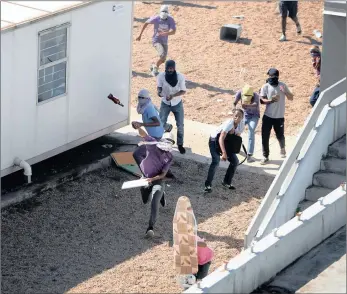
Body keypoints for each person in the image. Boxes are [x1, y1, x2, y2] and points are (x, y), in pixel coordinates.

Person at [132, 127, 174, 238]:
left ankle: (150, 227)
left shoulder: (169, 157)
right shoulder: (152, 145)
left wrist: (153, 180)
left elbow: (163, 174)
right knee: (145, 199)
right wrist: (139, 127)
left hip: (157, 180)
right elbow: (144, 134)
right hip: (145, 178)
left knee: (154, 202)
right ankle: (160, 194)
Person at [204, 108, 245, 193]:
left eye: (239, 116)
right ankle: (207, 185)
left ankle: (226, 182)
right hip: (214, 140)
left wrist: (231, 150)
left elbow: (235, 138)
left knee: (235, 161)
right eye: (235, 116)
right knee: (216, 161)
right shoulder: (229, 124)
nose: (237, 118)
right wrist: (224, 153)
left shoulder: (241, 125)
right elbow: (221, 138)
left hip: (227, 142)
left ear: (242, 118)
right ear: (233, 116)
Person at [259, 68, 294, 165]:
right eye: (270, 76)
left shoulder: (282, 85)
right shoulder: (265, 86)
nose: (272, 78)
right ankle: (265, 156)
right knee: (265, 137)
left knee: (280, 135)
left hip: (279, 117)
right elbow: (262, 100)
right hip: (268, 117)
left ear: (277, 77)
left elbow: (291, 98)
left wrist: (285, 92)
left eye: (274, 77)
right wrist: (271, 100)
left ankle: (282, 148)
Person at [136, 5, 176, 76]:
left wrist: (165, 33)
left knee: (163, 59)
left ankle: (154, 66)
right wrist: (140, 35)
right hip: (156, 40)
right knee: (163, 55)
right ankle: (155, 69)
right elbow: (146, 23)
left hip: (164, 41)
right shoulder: (156, 18)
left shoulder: (171, 19)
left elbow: (174, 31)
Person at [157, 59, 187, 154]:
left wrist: (173, 96)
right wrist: (158, 92)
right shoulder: (161, 76)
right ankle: (160, 140)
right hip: (165, 103)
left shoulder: (180, 77)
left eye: (171, 69)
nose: (170, 70)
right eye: (168, 69)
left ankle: (180, 144)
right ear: (165, 68)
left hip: (177, 103)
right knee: (161, 122)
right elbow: (159, 86)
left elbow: (183, 90)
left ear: (174, 68)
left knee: (180, 125)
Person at [233, 85, 260, 162]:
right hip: (244, 115)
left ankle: (249, 154)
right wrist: (234, 110)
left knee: (251, 131)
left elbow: (255, 104)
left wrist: (246, 105)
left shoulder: (256, 95)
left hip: (254, 116)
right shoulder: (239, 93)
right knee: (236, 129)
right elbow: (234, 103)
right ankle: (233, 147)